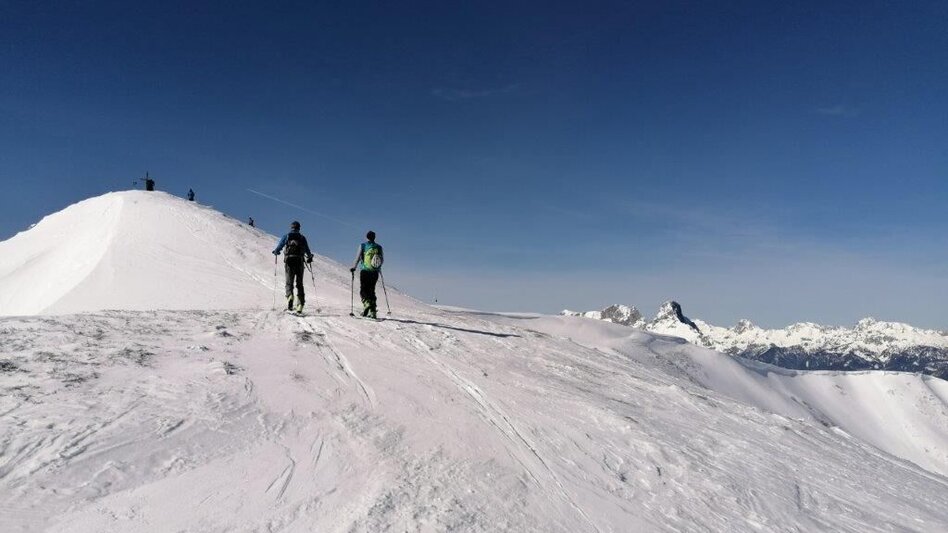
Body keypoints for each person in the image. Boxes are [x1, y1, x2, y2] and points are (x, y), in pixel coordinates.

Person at [272, 221, 313, 313]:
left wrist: (276, 251)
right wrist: (310, 257)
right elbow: (307, 250)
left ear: (291, 227)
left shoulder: (286, 236)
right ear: (299, 228)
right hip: (299, 262)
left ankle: (290, 296)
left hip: (289, 261)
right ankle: (300, 305)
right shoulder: (302, 238)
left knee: (289, 282)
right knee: (299, 284)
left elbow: (280, 246)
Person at [350, 231, 383, 319]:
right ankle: (373, 312)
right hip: (375, 272)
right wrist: (378, 268)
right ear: (374, 237)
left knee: (363, 289)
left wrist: (353, 267)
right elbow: (381, 260)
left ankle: (366, 303)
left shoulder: (363, 245)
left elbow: (357, 258)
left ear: (367, 237)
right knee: (372, 290)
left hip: (365, 271)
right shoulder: (379, 247)